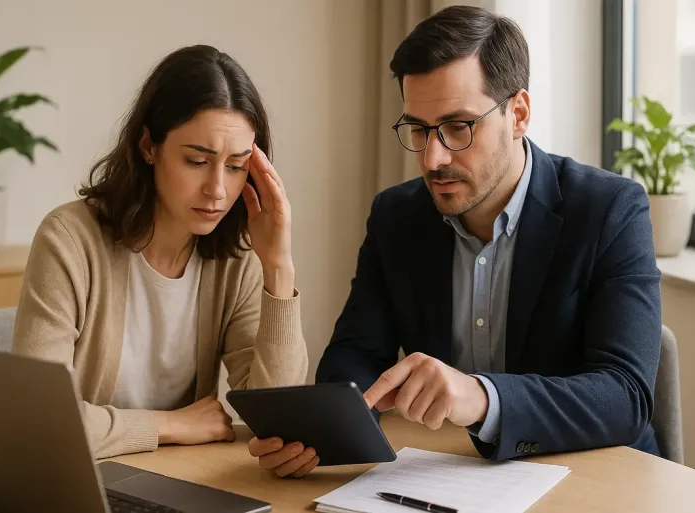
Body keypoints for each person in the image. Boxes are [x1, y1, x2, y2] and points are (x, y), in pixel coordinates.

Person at [249, 5, 661, 476]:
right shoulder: (396, 216)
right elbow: (357, 354)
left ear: (518, 114)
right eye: (419, 129)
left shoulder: (610, 209)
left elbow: (625, 396)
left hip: (597, 476)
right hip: (452, 477)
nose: (433, 158)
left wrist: (482, 397)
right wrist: (330, 430)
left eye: (458, 127)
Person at [12, 45, 309, 460]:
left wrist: (278, 267)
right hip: (82, 477)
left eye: (236, 166)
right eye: (197, 161)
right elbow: (37, 418)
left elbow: (278, 420)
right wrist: (170, 425)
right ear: (148, 146)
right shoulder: (69, 240)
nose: (217, 190)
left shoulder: (237, 259)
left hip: (180, 477)